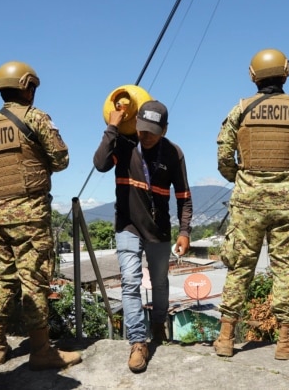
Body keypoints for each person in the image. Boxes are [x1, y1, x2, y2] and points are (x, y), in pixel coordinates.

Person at [213, 48, 289, 360]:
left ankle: (225, 339)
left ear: (253, 75)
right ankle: (285, 341)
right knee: (287, 270)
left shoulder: (240, 109)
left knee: (239, 268)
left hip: (248, 202)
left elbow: (224, 155)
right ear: (286, 72)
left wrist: (240, 177)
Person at [0, 61, 81, 370]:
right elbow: (61, 159)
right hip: (29, 215)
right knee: (33, 281)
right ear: (28, 87)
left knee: (0, 280)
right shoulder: (35, 118)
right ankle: (40, 351)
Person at [93, 98, 193, 373]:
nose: (145, 135)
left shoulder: (174, 154)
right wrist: (112, 128)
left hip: (159, 230)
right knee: (130, 282)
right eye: (141, 128)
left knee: (160, 283)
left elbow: (184, 197)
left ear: (165, 129)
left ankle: (159, 325)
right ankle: (138, 342)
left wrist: (184, 232)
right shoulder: (124, 146)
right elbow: (100, 164)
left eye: (152, 130)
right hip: (127, 226)